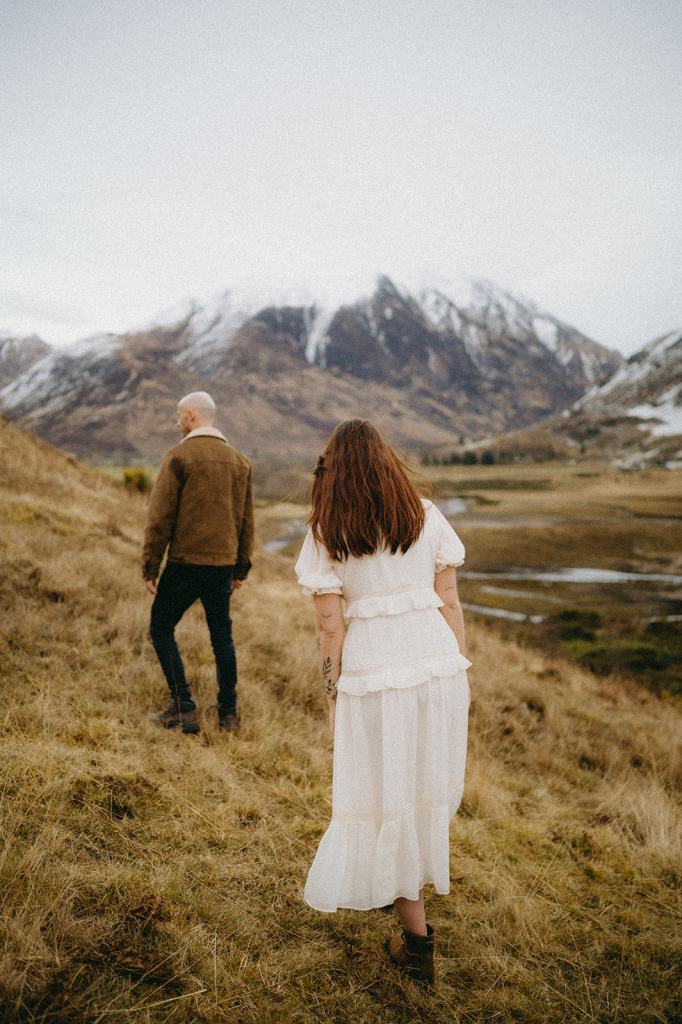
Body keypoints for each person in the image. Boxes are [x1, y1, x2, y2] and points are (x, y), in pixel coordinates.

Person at [294, 419, 471, 986]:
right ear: (389, 463)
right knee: (418, 793)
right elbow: (449, 601)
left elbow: (329, 630)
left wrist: (333, 697)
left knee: (389, 794)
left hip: (375, 673)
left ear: (334, 470)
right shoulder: (425, 515)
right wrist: (458, 670)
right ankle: (410, 924)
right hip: (437, 664)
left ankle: (417, 946)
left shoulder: (328, 529)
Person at [142, 391, 254, 734]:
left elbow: (160, 517)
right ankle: (229, 715)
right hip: (222, 565)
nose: (176, 422)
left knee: (161, 627)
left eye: (178, 415)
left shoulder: (179, 456)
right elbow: (246, 520)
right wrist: (241, 567)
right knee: (222, 636)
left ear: (191, 415)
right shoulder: (239, 461)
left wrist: (150, 565)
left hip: (185, 562)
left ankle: (183, 706)